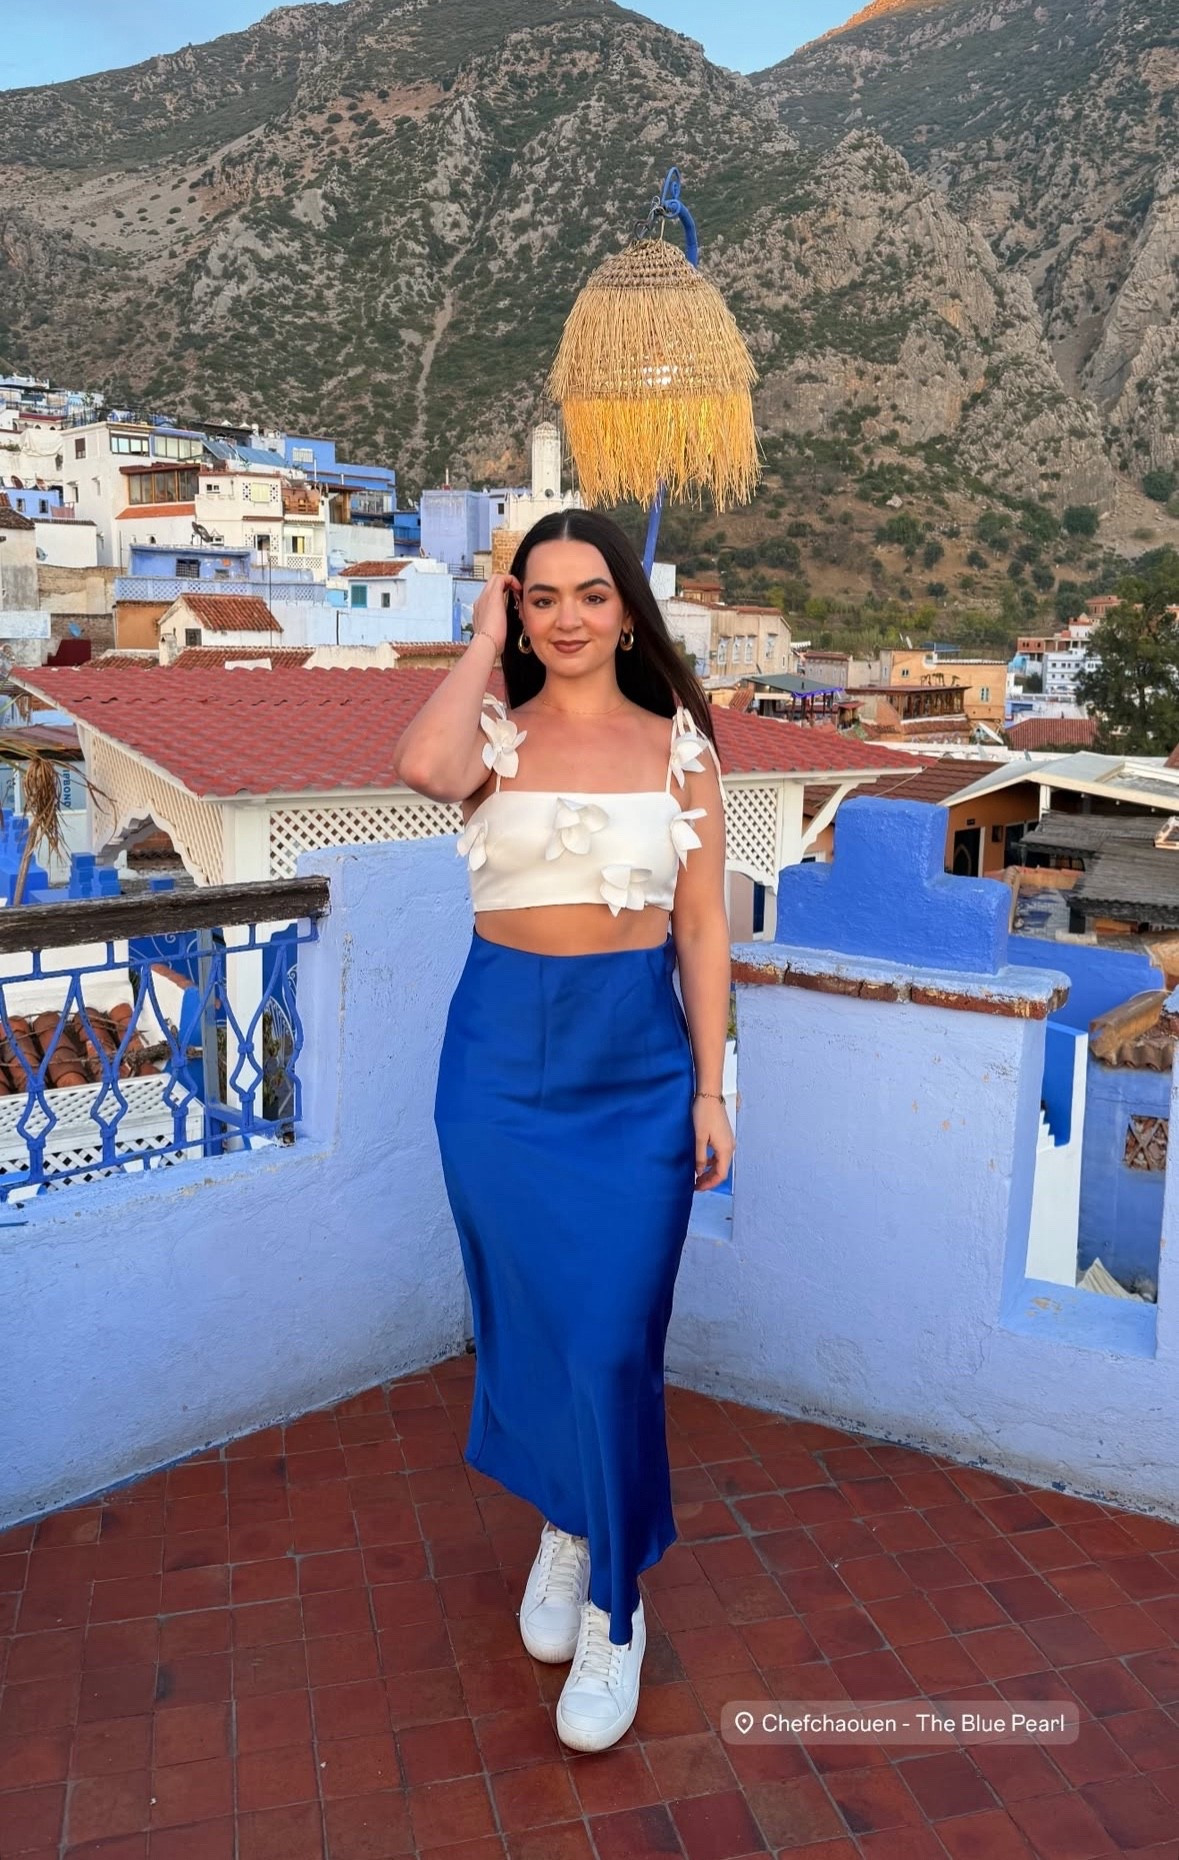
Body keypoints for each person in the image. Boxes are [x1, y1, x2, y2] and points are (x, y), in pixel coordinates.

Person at [394, 509, 734, 1752]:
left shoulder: (680, 750)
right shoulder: (490, 736)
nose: (571, 617)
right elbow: (421, 768)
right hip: (496, 1070)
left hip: (637, 1070)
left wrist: (712, 1089)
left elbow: (702, 930)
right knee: (527, 1318)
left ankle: (614, 1610)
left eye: (594, 594)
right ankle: (568, 1516)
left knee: (607, 1339)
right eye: (544, 599)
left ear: (629, 609)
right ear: (520, 611)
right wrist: (478, 641)